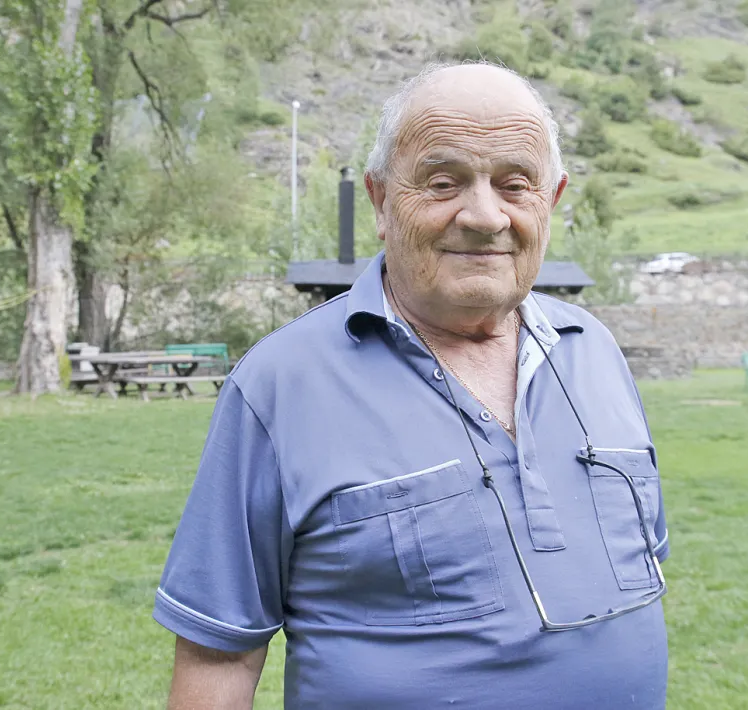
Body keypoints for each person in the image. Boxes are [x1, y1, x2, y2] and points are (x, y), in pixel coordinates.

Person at [154, 61, 671, 710]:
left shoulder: (594, 353)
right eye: (443, 181)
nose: (485, 216)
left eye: (515, 184)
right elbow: (218, 654)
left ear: (553, 200)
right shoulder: (281, 385)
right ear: (379, 200)